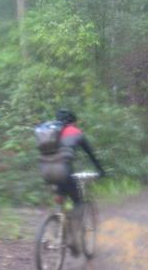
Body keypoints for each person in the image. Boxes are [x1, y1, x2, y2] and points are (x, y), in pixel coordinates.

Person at [39, 108, 105, 255]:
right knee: (78, 202)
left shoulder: (49, 132)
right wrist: (101, 171)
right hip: (64, 172)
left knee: (60, 198)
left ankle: (55, 226)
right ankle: (74, 238)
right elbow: (90, 154)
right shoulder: (75, 132)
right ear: (73, 121)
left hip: (45, 172)